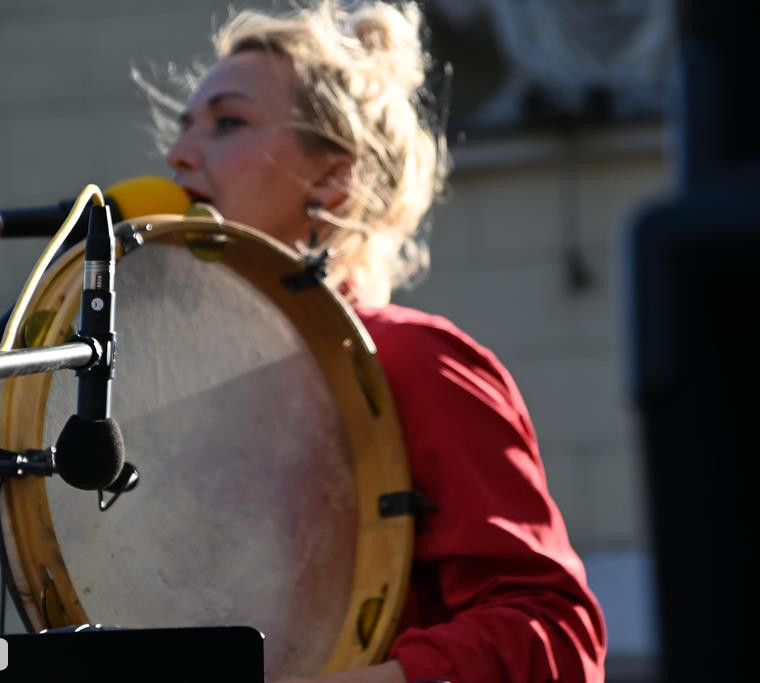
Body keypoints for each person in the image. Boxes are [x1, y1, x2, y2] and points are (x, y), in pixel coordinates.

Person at [151, 1, 607, 681]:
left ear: (333, 178)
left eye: (229, 123)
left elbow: (556, 632)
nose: (179, 153)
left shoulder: (411, 360)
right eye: (185, 127)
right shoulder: (196, 399)